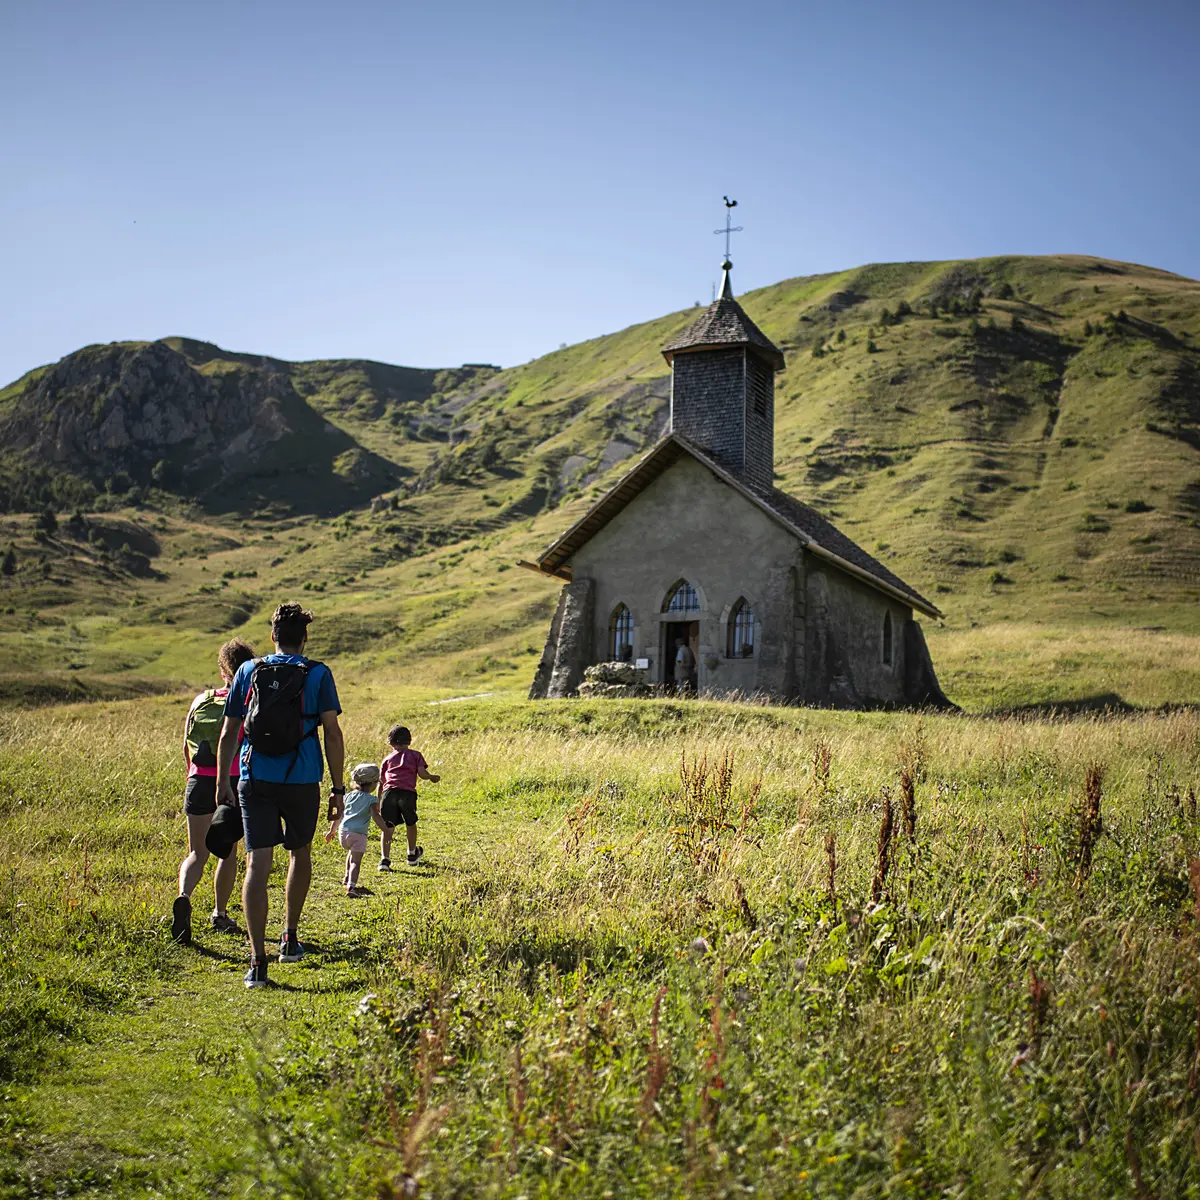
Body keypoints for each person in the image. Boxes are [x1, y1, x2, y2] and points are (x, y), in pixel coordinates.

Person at [215, 603, 345, 990]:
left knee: (257, 863)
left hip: (254, 777)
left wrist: (223, 782)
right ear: (304, 637)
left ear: (272, 636)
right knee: (299, 853)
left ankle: (257, 961)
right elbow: (333, 734)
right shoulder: (318, 673)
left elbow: (228, 733)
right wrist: (338, 789)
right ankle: (289, 937)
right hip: (303, 778)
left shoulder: (247, 671)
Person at [173, 637, 256, 946]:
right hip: (232, 782)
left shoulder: (200, 700)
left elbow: (186, 746)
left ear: (223, 670)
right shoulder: (247, 702)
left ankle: (183, 895)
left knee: (197, 852)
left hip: (198, 780)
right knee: (228, 851)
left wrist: (192, 777)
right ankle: (219, 913)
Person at [378, 724, 440, 870]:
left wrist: (378, 800)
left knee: (388, 827)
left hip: (389, 793)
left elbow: (382, 782)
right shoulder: (415, 755)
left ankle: (385, 860)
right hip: (407, 794)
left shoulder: (387, 759)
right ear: (410, 741)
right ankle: (412, 854)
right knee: (410, 823)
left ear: (391, 743)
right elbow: (422, 774)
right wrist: (431, 777)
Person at [324, 762, 385, 897]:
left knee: (351, 855)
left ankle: (346, 877)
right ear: (373, 784)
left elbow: (339, 815)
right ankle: (351, 887)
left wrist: (331, 831)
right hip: (358, 835)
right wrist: (385, 828)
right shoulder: (372, 800)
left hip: (343, 832)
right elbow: (376, 815)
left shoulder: (348, 796)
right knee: (356, 862)